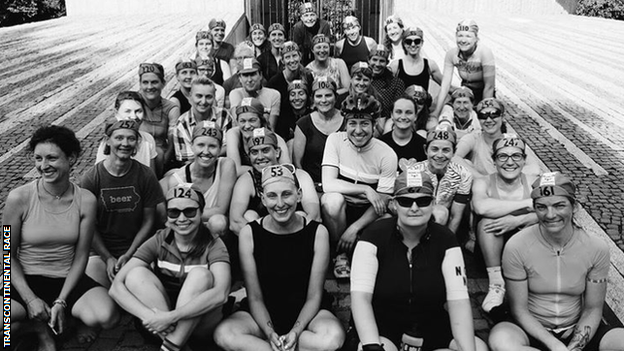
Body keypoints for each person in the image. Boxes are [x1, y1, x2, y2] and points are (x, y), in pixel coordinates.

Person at [6, 126, 119, 350]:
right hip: (25, 281)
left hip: (67, 279)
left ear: (71, 158)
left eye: (51, 158)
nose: (43, 165)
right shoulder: (18, 197)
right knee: (5, 331)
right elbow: (7, 252)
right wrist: (30, 299)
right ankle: (37, 328)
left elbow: (81, 256)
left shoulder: (85, 200)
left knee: (107, 316)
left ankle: (65, 318)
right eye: (38, 158)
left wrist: (62, 299)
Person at [350, 169, 488, 351]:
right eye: (405, 201)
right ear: (394, 204)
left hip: (431, 324)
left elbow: (459, 301)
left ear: (433, 203)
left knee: (477, 348)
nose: (414, 208)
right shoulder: (373, 235)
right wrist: (372, 345)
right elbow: (360, 298)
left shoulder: (446, 239)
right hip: (382, 325)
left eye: (422, 201)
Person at [214, 164, 345, 351]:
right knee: (225, 333)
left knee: (332, 338)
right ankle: (280, 346)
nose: (280, 204)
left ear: (299, 195)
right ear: (263, 199)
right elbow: (255, 297)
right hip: (263, 312)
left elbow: (314, 295)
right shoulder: (249, 233)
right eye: (272, 196)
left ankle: (281, 345)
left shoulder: (317, 232)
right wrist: (269, 334)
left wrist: (296, 332)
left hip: (307, 314)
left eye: (286, 194)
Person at [489, 172, 624, 351]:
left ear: (574, 207)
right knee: (502, 342)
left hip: (578, 327)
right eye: (541, 207)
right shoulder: (516, 245)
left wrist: (574, 347)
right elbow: (519, 310)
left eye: (559, 205)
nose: (550, 215)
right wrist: (555, 345)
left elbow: (593, 308)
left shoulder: (596, 247)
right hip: (529, 327)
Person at [110, 183, 231, 351]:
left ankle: (171, 346)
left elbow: (221, 294)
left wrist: (170, 317)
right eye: (174, 212)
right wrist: (152, 317)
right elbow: (116, 287)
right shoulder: (159, 239)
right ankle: (175, 345)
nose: (181, 219)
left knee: (201, 275)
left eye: (189, 211)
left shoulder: (214, 243)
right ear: (167, 216)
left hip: (200, 322)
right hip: (160, 325)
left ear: (201, 212)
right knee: (135, 274)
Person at [321, 94, 397, 279]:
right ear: (345, 123)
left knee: (388, 219)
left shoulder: (387, 154)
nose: (358, 130)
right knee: (332, 200)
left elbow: (382, 200)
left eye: (364, 124)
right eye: (352, 123)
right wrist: (365, 189)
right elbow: (328, 183)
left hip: (368, 211)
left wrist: (354, 228)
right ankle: (341, 253)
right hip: (342, 209)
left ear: (374, 125)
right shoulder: (335, 140)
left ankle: (360, 248)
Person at [81, 119, 165, 288]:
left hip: (136, 247)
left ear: (137, 143)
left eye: (131, 139)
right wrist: (107, 257)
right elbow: (88, 225)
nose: (125, 143)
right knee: (103, 301)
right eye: (119, 138)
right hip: (100, 250)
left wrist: (130, 254)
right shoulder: (92, 178)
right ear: (108, 141)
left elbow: (149, 220)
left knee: (137, 287)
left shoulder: (145, 175)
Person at [471, 134, 538, 313]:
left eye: (516, 156)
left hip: (525, 246)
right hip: (491, 249)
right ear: (494, 161)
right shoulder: (482, 182)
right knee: (487, 222)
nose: (510, 162)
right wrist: (528, 204)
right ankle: (496, 284)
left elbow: (554, 212)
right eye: (503, 156)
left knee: (540, 223)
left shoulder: (532, 181)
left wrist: (517, 220)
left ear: (524, 161)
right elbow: (481, 207)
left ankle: (533, 283)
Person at [229, 128, 319, 235]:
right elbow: (235, 221)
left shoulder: (299, 176)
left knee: (301, 215)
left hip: (296, 236)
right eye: (254, 152)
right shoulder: (246, 180)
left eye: (265, 150)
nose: (260, 157)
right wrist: (267, 241)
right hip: (262, 242)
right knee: (249, 215)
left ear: (277, 152)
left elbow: (314, 216)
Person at [164, 121, 236, 235]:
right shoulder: (177, 179)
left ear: (220, 148)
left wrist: (190, 213)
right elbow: (176, 215)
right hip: (188, 228)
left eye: (212, 146)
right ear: (192, 145)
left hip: (215, 228)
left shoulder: (226, 165)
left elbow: (221, 210)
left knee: (218, 221)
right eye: (201, 145)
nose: (206, 152)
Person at [399, 125, 473, 235]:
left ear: (454, 151)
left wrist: (447, 243)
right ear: (425, 150)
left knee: (440, 212)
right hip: (413, 216)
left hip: (442, 219)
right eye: (434, 149)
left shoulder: (463, 174)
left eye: (446, 150)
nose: (439, 155)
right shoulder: (413, 171)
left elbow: (455, 216)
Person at [455, 98, 540, 178]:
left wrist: (503, 178)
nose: (488, 120)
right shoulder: (474, 138)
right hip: (482, 188)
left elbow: (534, 169)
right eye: (483, 116)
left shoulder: (512, 140)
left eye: (494, 115)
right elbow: (455, 158)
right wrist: (482, 178)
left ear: (502, 117)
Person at [433, 19, 495, 116]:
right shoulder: (451, 54)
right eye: (460, 35)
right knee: (447, 112)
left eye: (468, 36)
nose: (463, 40)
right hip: (465, 92)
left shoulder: (485, 53)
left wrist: (485, 112)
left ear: (476, 38)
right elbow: (445, 86)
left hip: (483, 92)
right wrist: (436, 113)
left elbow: (489, 86)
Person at [293, 77, 345, 188]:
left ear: (336, 97)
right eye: (319, 96)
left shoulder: (347, 121)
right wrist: (307, 186)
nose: (324, 100)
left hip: (341, 184)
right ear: (313, 99)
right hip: (312, 185)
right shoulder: (303, 124)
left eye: (328, 95)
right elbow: (297, 163)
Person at [173, 77, 233, 164]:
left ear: (214, 97)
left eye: (208, 97)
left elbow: (229, 147)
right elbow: (186, 160)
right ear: (190, 96)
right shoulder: (182, 123)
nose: (203, 101)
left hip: (220, 165)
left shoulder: (223, 115)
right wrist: (212, 153)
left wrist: (204, 156)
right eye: (199, 96)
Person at [94, 91, 158, 173]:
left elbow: (152, 175)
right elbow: (100, 174)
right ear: (116, 113)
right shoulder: (110, 141)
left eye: (138, 111)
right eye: (127, 111)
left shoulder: (148, 139)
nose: (133, 116)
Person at [225, 98, 290, 177]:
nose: (247, 126)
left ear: (261, 120)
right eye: (242, 121)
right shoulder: (233, 133)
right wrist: (265, 168)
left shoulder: (276, 138)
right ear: (237, 122)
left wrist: (261, 169)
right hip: (245, 179)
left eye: (252, 120)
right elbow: (235, 170)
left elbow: (287, 170)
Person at [137, 62, 180, 177]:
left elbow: (172, 140)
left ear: (163, 83)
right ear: (140, 84)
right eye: (145, 82)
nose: (150, 87)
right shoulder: (133, 104)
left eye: (154, 82)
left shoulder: (171, 108)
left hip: (161, 158)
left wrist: (163, 162)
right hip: (136, 155)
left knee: (159, 152)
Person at [267, 41, 314, 140]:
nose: (292, 60)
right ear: (283, 60)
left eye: (294, 56)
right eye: (287, 57)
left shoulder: (308, 76)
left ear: (300, 56)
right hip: (283, 125)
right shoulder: (274, 82)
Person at [229, 58, 281, 131]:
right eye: (245, 75)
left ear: (260, 75)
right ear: (239, 78)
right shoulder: (235, 94)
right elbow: (238, 125)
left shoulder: (273, 95)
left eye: (253, 74)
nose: (249, 80)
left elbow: (270, 129)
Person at [388, 27, 443, 93]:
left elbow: (447, 86)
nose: (413, 44)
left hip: (422, 102)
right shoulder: (396, 66)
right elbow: (386, 91)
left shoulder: (430, 65)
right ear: (404, 44)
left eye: (417, 41)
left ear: (422, 43)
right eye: (409, 42)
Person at [379, 95, 427, 169]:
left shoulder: (423, 146)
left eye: (408, 112)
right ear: (392, 115)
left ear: (415, 116)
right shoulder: (380, 144)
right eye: (399, 112)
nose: (403, 117)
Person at [369, 44, 405, 120]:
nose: (377, 64)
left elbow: (398, 109)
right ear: (368, 60)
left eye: (382, 61)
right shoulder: (362, 81)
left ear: (387, 62)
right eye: (374, 59)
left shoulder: (396, 83)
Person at [292, 1, 331, 66]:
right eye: (306, 15)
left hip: (321, 57)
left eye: (312, 15)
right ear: (301, 18)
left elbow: (326, 47)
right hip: (303, 60)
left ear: (316, 16)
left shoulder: (324, 25)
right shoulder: (298, 28)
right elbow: (297, 49)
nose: (309, 18)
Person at [274, 79, 311, 143]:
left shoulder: (313, 115)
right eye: (293, 94)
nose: (297, 98)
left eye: (301, 94)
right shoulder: (283, 118)